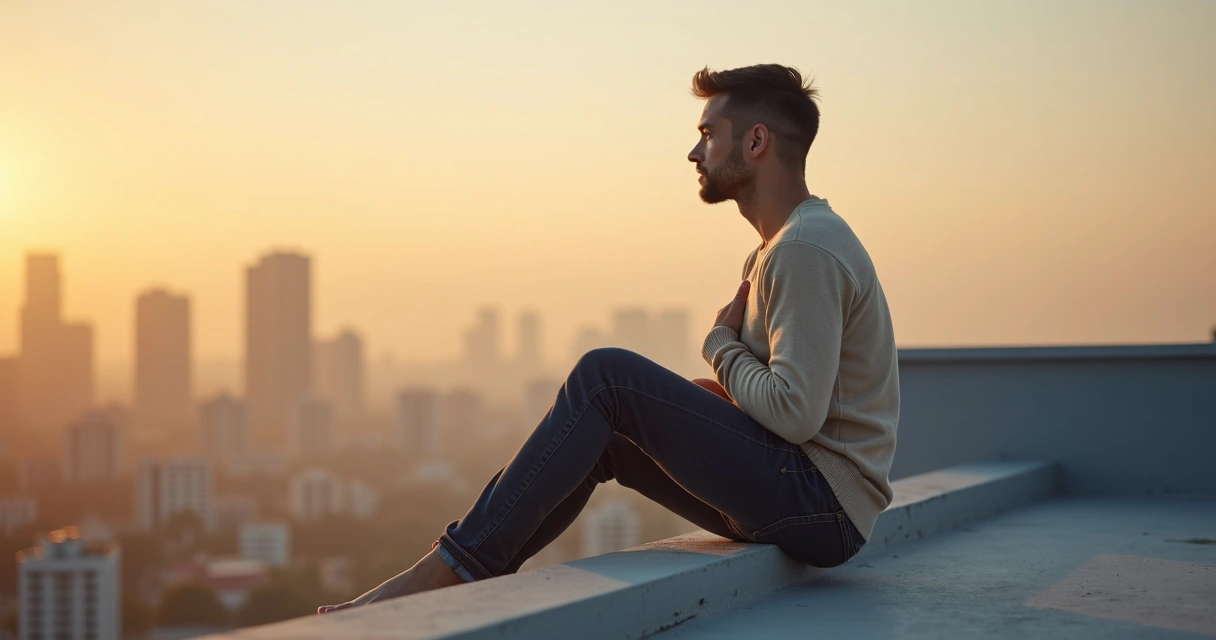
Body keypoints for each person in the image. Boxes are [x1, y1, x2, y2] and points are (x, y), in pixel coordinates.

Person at [318, 63, 899, 613]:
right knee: (608, 437)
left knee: (606, 376)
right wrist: (713, 400)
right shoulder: (780, 246)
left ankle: (446, 573)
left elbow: (796, 415)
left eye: (708, 133)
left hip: (822, 506)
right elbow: (787, 404)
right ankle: (470, 579)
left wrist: (721, 348)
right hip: (808, 500)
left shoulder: (803, 248)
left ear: (756, 143)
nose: (694, 152)